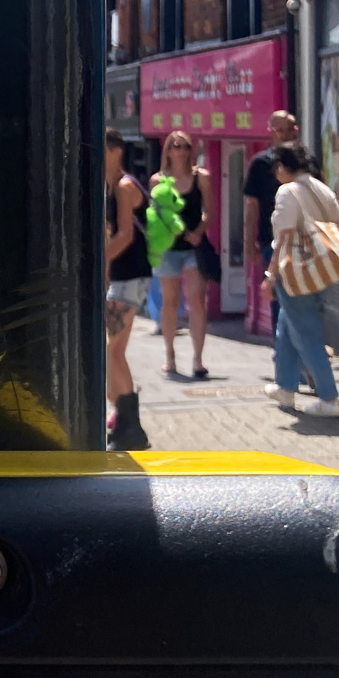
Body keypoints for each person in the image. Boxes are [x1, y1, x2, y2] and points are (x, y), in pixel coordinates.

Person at [261, 144, 339, 418]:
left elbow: (282, 238)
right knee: (288, 324)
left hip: (295, 271)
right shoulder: (321, 188)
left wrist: (270, 275)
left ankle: (329, 398)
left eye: (276, 168)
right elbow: (337, 224)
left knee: (306, 334)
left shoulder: (288, 192)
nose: (275, 174)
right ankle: (285, 385)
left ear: (284, 167)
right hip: (321, 269)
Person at [151, 130, 212, 378]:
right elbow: (155, 214)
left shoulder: (202, 177)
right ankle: (170, 356)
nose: (180, 150)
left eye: (184, 146)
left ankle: (198, 360)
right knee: (170, 302)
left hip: (194, 247)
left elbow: (209, 210)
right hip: (168, 248)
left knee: (197, 301)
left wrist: (199, 231)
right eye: (175, 146)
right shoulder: (158, 180)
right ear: (167, 150)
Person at [104, 128, 151, 450]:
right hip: (123, 276)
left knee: (113, 351)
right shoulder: (109, 187)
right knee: (111, 350)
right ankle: (122, 421)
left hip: (131, 276)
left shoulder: (122, 187)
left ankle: (131, 428)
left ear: (116, 150)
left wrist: (94, 263)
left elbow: (125, 236)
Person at [244, 110, 303, 340]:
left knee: (301, 300)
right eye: (280, 129)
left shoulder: (306, 161)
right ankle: (284, 357)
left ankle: (296, 356)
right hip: (272, 242)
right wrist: (250, 241)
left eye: (290, 128)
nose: (286, 134)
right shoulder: (260, 163)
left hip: (304, 242)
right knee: (280, 300)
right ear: (270, 132)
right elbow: (251, 204)